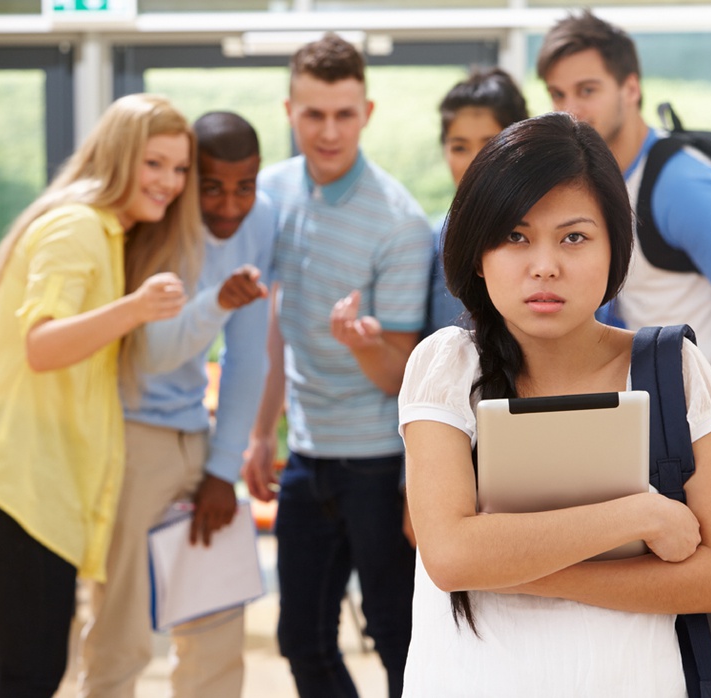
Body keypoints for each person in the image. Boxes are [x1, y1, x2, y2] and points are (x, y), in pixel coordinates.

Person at [398, 112, 711, 696]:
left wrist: (512, 568)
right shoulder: (447, 366)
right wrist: (638, 516)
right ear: (477, 251)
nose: (545, 265)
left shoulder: (672, 370)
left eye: (574, 237)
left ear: (615, 248)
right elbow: (453, 556)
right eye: (515, 236)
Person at [0, 93, 203, 698]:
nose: (169, 182)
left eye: (180, 168)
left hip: (22, 485)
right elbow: (42, 345)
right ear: (118, 156)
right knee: (30, 674)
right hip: (22, 483)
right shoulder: (77, 227)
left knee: (3, 674)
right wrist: (136, 308)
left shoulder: (100, 233)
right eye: (154, 163)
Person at [242, 32, 433, 698]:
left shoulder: (399, 222)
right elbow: (273, 327)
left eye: (344, 114)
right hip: (306, 455)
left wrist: (364, 343)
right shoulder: (269, 195)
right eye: (313, 114)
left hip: (378, 464)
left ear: (367, 114)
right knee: (302, 640)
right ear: (289, 111)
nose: (328, 131)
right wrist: (261, 432)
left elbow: (401, 376)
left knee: (398, 638)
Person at [537, 10, 711, 481]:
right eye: (557, 94)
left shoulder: (682, 186)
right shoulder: (597, 182)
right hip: (655, 428)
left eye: (587, 90)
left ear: (630, 88)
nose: (570, 109)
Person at [76, 111, 276, 698]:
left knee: (216, 627)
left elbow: (248, 355)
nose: (230, 205)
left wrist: (221, 467)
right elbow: (153, 354)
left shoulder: (261, 219)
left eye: (245, 186)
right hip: (130, 436)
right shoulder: (156, 224)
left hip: (196, 434)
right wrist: (217, 302)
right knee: (120, 631)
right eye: (211, 186)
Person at [423, 67, 529, 338]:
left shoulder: (556, 230)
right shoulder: (434, 242)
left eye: (489, 145)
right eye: (459, 147)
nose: (474, 162)